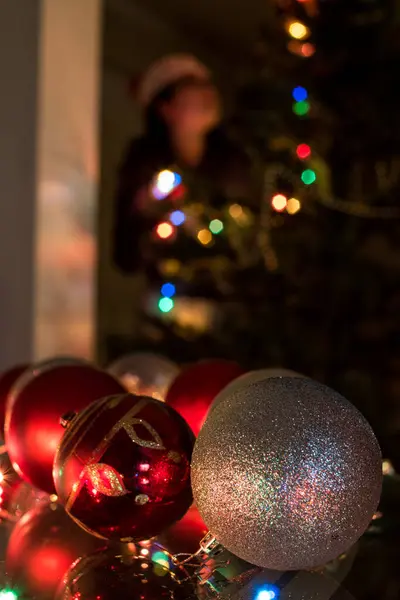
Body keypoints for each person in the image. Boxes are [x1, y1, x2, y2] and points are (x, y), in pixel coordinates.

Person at [113, 54, 255, 274]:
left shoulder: (235, 162)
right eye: (193, 87)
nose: (208, 94)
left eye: (208, 85)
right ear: (166, 108)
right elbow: (127, 254)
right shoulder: (145, 168)